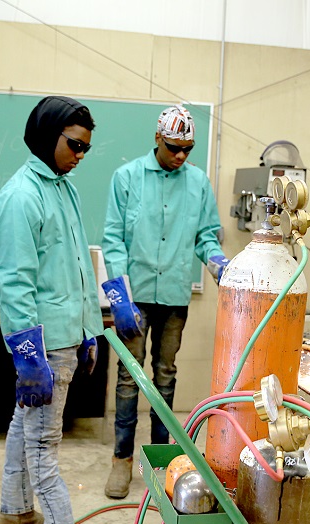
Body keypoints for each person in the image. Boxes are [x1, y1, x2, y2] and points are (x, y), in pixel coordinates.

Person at [0, 96, 104, 524]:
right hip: (45, 343)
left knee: (25, 426)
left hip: (68, 336)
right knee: (43, 442)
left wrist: (92, 329)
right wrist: (27, 356)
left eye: (86, 149)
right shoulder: (20, 197)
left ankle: (14, 514)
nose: (80, 155)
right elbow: (14, 283)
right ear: (46, 136)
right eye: (74, 145)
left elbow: (80, 266)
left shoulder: (64, 187)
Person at [100, 105, 229, 499]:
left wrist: (218, 262)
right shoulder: (127, 178)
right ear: (157, 138)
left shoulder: (198, 183)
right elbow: (113, 239)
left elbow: (206, 235)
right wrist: (118, 295)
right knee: (128, 378)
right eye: (174, 147)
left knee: (166, 375)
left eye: (188, 148)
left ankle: (161, 461)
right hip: (134, 295)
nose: (181, 156)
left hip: (174, 295)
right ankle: (121, 460)